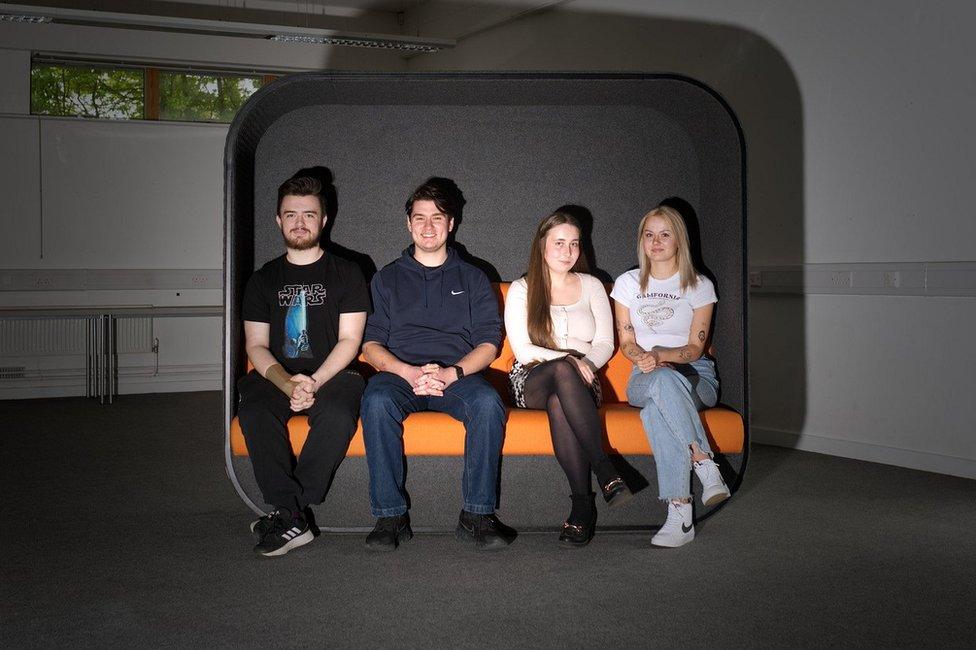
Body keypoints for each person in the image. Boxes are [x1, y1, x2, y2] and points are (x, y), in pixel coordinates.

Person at [359, 177, 516, 551]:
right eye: (419, 218)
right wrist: (407, 371)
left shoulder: (474, 277)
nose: (428, 226)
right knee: (376, 401)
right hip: (400, 374)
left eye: (437, 217)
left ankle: (476, 515)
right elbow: (371, 343)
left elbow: (489, 344)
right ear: (408, 224)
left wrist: (452, 373)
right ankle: (390, 516)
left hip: (456, 375)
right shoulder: (387, 279)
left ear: (451, 224)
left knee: (486, 403)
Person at [237, 175, 369, 557]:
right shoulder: (263, 279)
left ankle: (287, 512)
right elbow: (256, 345)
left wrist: (313, 381)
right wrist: (287, 384)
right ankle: (293, 513)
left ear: (323, 220)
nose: (299, 222)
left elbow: (350, 340)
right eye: (290, 214)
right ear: (278, 220)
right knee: (256, 409)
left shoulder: (347, 272)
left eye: (309, 214)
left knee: (339, 413)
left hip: (334, 372)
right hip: (276, 375)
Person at [503, 210, 632, 547]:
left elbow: (606, 342)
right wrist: (570, 361)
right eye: (559, 242)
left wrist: (584, 363)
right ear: (541, 246)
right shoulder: (522, 288)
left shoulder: (591, 286)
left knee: (562, 399)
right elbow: (522, 348)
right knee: (562, 369)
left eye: (574, 243)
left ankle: (582, 506)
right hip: (531, 377)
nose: (567, 250)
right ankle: (604, 469)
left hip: (580, 381)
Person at [611, 205, 731, 548]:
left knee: (655, 407)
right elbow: (627, 342)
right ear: (641, 241)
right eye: (649, 235)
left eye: (665, 234)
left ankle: (680, 514)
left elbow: (695, 347)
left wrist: (660, 355)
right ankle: (704, 463)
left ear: (679, 239)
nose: (656, 241)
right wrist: (643, 358)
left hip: (695, 376)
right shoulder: (628, 283)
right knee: (660, 383)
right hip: (645, 375)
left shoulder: (699, 285)